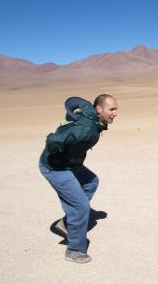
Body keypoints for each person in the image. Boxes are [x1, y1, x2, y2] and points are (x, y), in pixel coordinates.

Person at [38, 94, 118, 263]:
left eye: (116, 109)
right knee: (80, 206)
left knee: (91, 182)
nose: (115, 113)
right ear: (99, 109)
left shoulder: (92, 120)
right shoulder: (84, 129)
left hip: (69, 165)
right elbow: (54, 140)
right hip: (55, 167)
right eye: (111, 109)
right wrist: (56, 150)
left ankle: (67, 223)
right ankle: (74, 250)